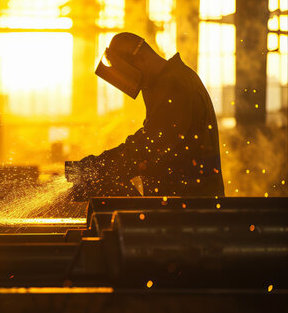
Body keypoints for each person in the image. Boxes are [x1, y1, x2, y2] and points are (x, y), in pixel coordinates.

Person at [65, 32, 224, 199]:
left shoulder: (175, 86)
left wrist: (98, 167)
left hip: (191, 205)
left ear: (141, 59)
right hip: (183, 200)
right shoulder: (173, 80)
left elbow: (149, 145)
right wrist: (100, 167)